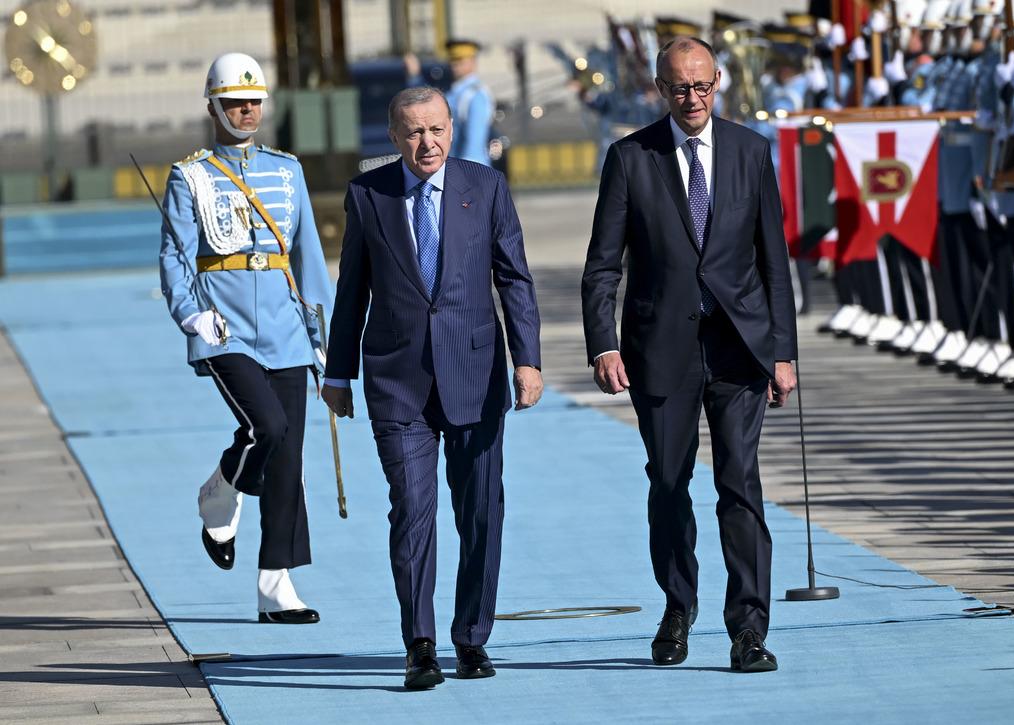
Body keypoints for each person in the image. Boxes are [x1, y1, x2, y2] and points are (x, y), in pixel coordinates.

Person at [581, 36, 797, 673]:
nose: (693, 98)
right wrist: (604, 343)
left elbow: (773, 263)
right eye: (679, 88)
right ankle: (678, 607)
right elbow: (602, 266)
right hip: (660, 350)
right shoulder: (629, 157)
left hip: (739, 348)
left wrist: (781, 351)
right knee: (669, 483)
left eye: (703, 86)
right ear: (660, 88)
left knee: (740, 483)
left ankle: (749, 628)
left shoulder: (751, 152)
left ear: (719, 82)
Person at [320, 86, 543, 690]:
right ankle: (420, 645)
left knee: (480, 513)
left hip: (475, 374)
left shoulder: (485, 187)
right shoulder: (369, 196)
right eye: (414, 133)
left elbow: (514, 279)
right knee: (412, 511)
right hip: (398, 382)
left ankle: (471, 638)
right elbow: (352, 292)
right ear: (393, 138)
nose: (429, 143)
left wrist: (528, 361)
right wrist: (338, 373)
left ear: (452, 128)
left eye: (437, 130)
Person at [159, 52, 333, 624]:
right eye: (235, 101)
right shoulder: (191, 175)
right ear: (212, 105)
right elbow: (176, 257)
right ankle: (221, 491)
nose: (247, 110)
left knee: (288, 457)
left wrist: (321, 328)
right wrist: (191, 315)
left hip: (284, 325)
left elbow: (306, 252)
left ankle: (275, 583)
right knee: (269, 428)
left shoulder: (287, 170)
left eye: (254, 100)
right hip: (225, 325)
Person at [444, 39, 494, 165]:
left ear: (473, 62)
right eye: (453, 60)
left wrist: (466, 176)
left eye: (460, 61)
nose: (454, 65)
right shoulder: (455, 92)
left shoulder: (475, 95)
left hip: (470, 171)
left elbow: (474, 141)